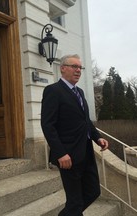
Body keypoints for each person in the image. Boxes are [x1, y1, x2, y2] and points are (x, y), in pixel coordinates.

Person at [41, 54, 109, 216]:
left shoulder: (80, 92)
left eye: (80, 67)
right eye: (74, 66)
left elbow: (85, 121)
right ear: (63, 68)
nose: (78, 70)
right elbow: (47, 125)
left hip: (86, 153)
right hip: (68, 156)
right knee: (75, 201)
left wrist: (97, 137)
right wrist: (60, 153)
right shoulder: (53, 91)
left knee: (93, 192)